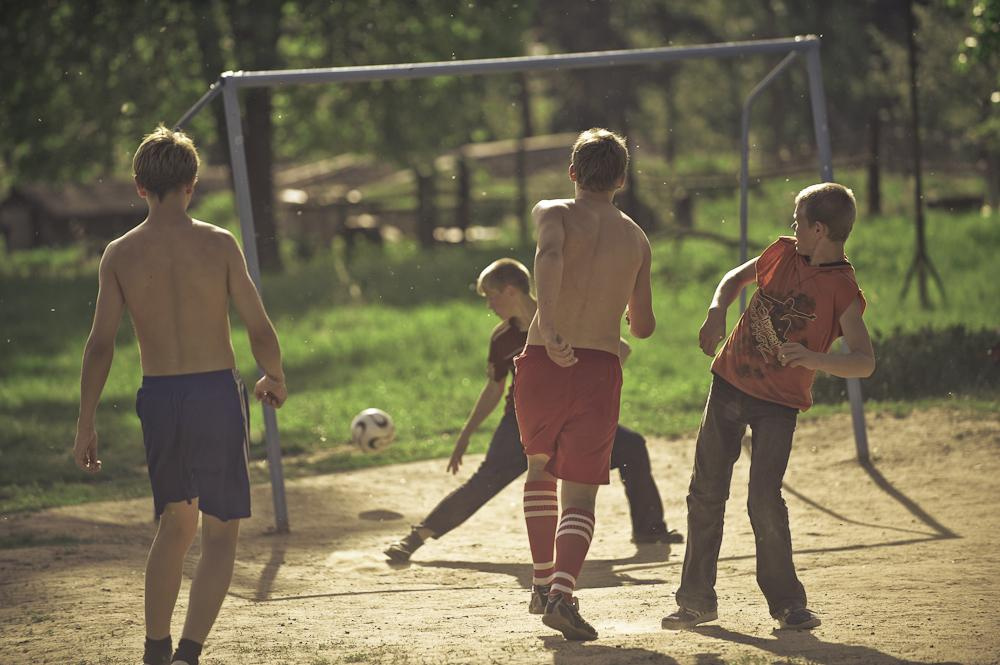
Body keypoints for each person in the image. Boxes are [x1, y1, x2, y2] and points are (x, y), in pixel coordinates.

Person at [71, 125, 287, 665]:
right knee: (220, 532)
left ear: (139, 187)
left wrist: (86, 421)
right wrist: (274, 374)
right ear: (192, 184)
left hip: (161, 397)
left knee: (175, 523)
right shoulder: (218, 244)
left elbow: (100, 346)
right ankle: (189, 653)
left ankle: (155, 648)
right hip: (215, 392)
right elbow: (258, 327)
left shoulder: (119, 253)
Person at [661, 182, 875, 632]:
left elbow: (864, 362)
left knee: (764, 500)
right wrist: (717, 310)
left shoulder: (842, 289)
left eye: (798, 222)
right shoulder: (781, 253)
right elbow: (735, 279)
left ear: (819, 229)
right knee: (706, 495)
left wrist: (815, 359)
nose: (792, 228)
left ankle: (787, 603)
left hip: (779, 405)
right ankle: (697, 600)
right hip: (729, 386)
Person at [383, 258, 679, 564]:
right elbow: (494, 388)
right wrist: (466, 433)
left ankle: (650, 530)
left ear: (510, 290)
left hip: (571, 417)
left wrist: (590, 393)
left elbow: (621, 349)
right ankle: (415, 538)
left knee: (632, 447)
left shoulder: (562, 318)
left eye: (490, 296)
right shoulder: (502, 337)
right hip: (522, 422)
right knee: (488, 479)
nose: (489, 305)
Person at [515, 128, 656, 641]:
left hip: (541, 359)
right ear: (621, 178)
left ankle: (538, 582)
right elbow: (642, 326)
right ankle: (562, 594)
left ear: (573, 172)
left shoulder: (552, 210)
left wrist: (549, 327)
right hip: (598, 365)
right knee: (581, 496)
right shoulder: (636, 236)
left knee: (537, 467)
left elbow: (549, 256)